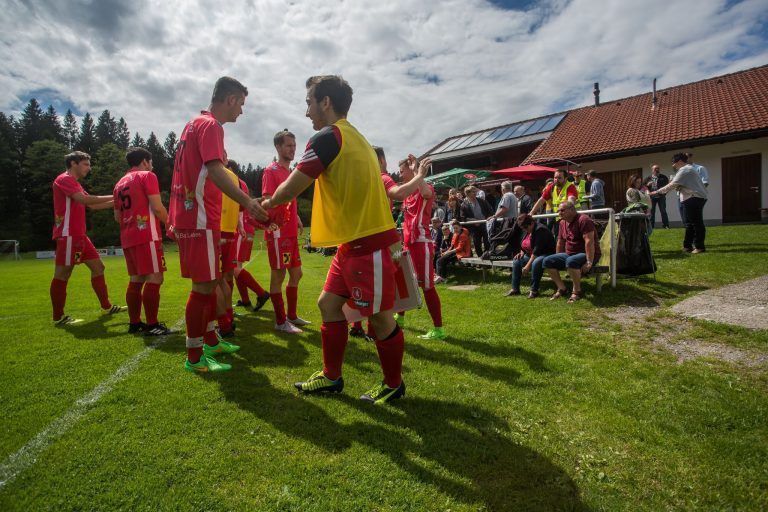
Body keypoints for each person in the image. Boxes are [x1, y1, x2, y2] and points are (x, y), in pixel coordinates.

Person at [261, 75, 406, 404]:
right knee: (328, 304)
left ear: (326, 102)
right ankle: (331, 377)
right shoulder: (356, 137)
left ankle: (394, 384)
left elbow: (293, 187)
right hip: (352, 244)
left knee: (380, 318)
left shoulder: (328, 137)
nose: (307, 110)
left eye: (310, 102)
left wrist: (267, 204)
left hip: (367, 243)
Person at [168, 76, 268, 373]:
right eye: (242, 104)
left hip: (194, 213)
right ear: (231, 99)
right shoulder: (211, 125)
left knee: (211, 283)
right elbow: (215, 170)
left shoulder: (194, 123)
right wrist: (247, 202)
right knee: (203, 287)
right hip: (198, 215)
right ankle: (195, 357)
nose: (242, 111)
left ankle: (210, 341)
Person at [50, 151, 124, 325]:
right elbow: (84, 200)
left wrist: (116, 202)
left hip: (79, 236)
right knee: (63, 274)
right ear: (74, 163)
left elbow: (92, 205)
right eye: (86, 164)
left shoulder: (74, 183)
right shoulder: (64, 179)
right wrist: (116, 196)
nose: (89, 168)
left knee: (99, 267)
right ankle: (58, 316)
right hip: (68, 234)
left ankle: (107, 306)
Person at [112, 147, 172, 336]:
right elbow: (157, 207)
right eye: (151, 162)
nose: (152, 166)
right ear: (145, 161)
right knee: (156, 277)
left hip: (128, 236)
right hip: (147, 234)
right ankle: (152, 324)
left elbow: (116, 216)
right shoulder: (147, 176)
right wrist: (172, 224)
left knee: (136, 279)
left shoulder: (119, 184)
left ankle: (134, 322)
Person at [262, 129, 309, 334]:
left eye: (293, 145)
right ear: (278, 147)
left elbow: (290, 200)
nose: (293, 149)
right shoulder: (270, 171)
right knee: (278, 276)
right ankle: (281, 321)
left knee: (297, 273)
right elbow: (267, 199)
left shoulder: (290, 173)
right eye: (288, 145)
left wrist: (296, 218)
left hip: (290, 232)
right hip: (278, 232)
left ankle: (291, 315)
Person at [393, 155, 445, 340]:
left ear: (410, 170)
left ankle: (438, 329)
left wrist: (417, 171)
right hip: (408, 243)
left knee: (427, 286)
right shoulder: (406, 193)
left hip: (421, 243)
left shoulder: (425, 187)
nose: (399, 175)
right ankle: (400, 318)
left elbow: (426, 193)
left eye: (401, 171)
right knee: (404, 281)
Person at [542, 202, 601, 303]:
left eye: (562, 210)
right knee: (547, 261)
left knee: (571, 261)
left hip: (588, 254)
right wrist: (558, 257)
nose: (559, 213)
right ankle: (562, 288)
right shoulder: (562, 222)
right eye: (558, 211)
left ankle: (577, 291)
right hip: (570, 254)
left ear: (572, 210)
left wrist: (589, 262)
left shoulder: (584, 220)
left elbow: (589, 242)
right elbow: (560, 242)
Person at [651, 153, 708, 253]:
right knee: (689, 224)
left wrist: (656, 192)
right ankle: (688, 246)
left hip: (694, 198)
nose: (673, 165)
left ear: (680, 162)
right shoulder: (687, 169)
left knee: (696, 224)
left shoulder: (685, 170)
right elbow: (680, 185)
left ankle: (699, 247)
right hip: (690, 198)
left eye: (674, 163)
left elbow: (672, 185)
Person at [232, 176, 271, 311]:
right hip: (246, 232)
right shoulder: (242, 184)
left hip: (240, 231)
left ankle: (261, 293)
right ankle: (245, 300)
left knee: (233, 268)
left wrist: (242, 227)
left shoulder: (233, 182)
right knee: (237, 267)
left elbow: (242, 213)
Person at [506, 214, 556, 299]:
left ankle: (534, 290)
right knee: (517, 261)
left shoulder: (541, 230)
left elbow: (537, 251)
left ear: (532, 223)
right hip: (531, 254)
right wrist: (522, 252)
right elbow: (524, 243)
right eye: (523, 228)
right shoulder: (527, 230)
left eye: (525, 227)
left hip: (545, 254)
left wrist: (527, 266)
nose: (524, 229)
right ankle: (515, 289)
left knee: (535, 263)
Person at [531, 169, 578, 234]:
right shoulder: (551, 187)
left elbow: (571, 199)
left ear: (565, 178)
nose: (556, 179)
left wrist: (567, 208)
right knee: (558, 237)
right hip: (559, 217)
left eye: (559, 178)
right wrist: (531, 212)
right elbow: (541, 200)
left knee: (571, 237)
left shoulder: (570, 186)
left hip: (571, 218)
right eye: (555, 177)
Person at [434, 220, 472, 284]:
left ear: (460, 227)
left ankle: (441, 278)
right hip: (456, 252)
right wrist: (446, 252)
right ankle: (438, 276)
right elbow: (452, 246)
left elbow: (460, 248)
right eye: (454, 228)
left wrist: (448, 252)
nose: (455, 229)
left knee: (440, 260)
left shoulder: (463, 235)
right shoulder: (455, 234)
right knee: (438, 256)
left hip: (462, 253)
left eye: (456, 228)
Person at [460, 185, 493, 256]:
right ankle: (480, 258)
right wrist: (472, 220)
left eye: (475, 191)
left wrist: (489, 218)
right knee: (476, 243)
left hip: (484, 224)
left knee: (487, 241)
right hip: (474, 227)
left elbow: (490, 211)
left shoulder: (482, 201)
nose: (475, 193)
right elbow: (463, 218)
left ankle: (486, 257)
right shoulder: (464, 205)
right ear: (468, 193)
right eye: (473, 192)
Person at [646, 164, 670, 228]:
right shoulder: (648, 178)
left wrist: (664, 194)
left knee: (663, 211)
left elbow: (667, 187)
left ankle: (666, 225)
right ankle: (651, 226)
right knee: (652, 212)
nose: (657, 170)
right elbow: (644, 187)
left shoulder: (663, 177)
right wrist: (648, 185)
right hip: (651, 198)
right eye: (655, 169)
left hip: (661, 197)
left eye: (658, 168)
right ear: (652, 170)